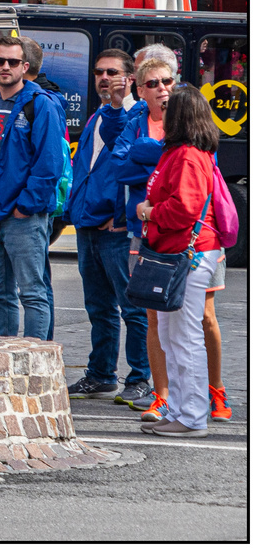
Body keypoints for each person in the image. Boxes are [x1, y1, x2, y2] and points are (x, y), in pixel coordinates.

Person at [65, 49, 151, 406]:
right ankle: (101, 374)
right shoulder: (99, 113)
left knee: (132, 308)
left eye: (112, 72)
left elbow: (124, 163)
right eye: (99, 71)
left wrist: (120, 216)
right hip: (88, 224)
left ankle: (140, 376)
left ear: (129, 77)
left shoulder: (133, 113)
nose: (103, 77)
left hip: (114, 228)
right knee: (98, 307)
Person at [136, 87, 223, 438]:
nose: (162, 107)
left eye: (169, 106)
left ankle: (192, 416)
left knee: (184, 337)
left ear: (181, 116)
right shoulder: (181, 152)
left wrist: (149, 211)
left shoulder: (186, 155)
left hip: (187, 253)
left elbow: (184, 209)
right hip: (181, 252)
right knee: (173, 336)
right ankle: (181, 410)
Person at [0, 34, 67, 341]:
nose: (5, 67)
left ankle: (36, 365)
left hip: (23, 218)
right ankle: (4, 365)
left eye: (12, 62)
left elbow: (50, 162)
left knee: (32, 293)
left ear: (24, 66)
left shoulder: (40, 104)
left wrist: (25, 206)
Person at [112, 55, 176, 418]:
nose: (161, 89)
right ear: (140, 90)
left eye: (166, 81)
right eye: (152, 84)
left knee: (189, 316)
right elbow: (119, 166)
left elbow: (187, 161)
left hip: (180, 231)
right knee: (149, 313)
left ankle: (197, 390)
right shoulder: (136, 121)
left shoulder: (185, 119)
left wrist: (147, 155)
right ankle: (157, 390)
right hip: (141, 231)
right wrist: (154, 154)